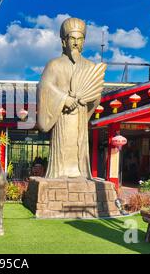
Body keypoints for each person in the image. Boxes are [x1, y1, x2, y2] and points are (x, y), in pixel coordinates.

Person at [37, 18, 105, 179]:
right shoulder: (54, 64)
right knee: (62, 149)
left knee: (79, 147)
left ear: (84, 42)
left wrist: (88, 99)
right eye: (72, 38)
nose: (75, 42)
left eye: (79, 39)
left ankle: (81, 173)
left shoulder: (89, 66)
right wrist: (64, 99)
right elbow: (44, 87)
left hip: (80, 117)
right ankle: (59, 173)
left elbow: (96, 93)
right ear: (63, 41)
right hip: (62, 116)